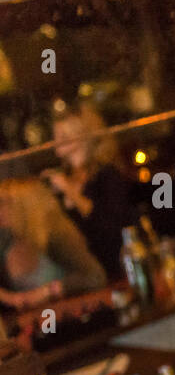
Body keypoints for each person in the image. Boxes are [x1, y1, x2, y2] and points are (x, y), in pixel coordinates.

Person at [46, 104, 140, 279]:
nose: (56, 141)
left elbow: (111, 227)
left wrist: (70, 191)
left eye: (63, 136)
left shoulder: (106, 175)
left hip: (114, 268)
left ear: (83, 138)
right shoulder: (64, 178)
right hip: (81, 270)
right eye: (55, 136)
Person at [0, 177, 107, 311]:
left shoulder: (55, 235)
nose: (1, 211)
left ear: (24, 206)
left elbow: (95, 276)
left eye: (3, 204)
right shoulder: (8, 242)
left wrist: (48, 291)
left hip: (68, 320)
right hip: (36, 323)